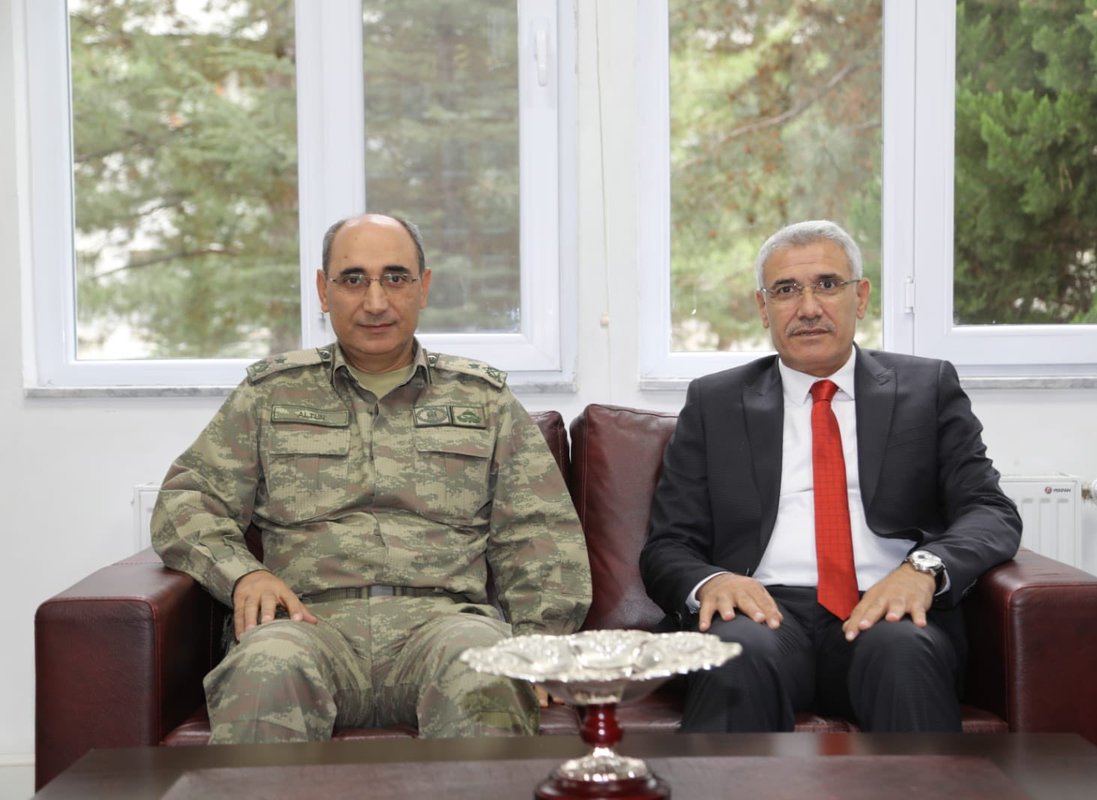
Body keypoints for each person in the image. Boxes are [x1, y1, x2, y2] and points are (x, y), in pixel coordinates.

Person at [152, 212, 591, 744]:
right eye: (354, 279)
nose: (376, 301)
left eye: (396, 278)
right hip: (307, 626)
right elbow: (186, 501)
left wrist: (540, 644)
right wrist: (243, 575)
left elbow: (540, 531)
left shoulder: (483, 401)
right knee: (265, 668)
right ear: (324, 290)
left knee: (487, 669)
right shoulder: (270, 396)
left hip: (445, 626)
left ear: (423, 287)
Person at [640, 219, 1021, 733]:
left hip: (884, 606)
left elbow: (990, 511)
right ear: (763, 308)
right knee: (732, 651)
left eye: (827, 284)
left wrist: (923, 570)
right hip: (764, 612)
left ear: (860, 297)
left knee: (904, 652)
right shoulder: (715, 402)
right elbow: (668, 545)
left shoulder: (925, 388)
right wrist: (715, 581)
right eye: (786, 290)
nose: (808, 307)